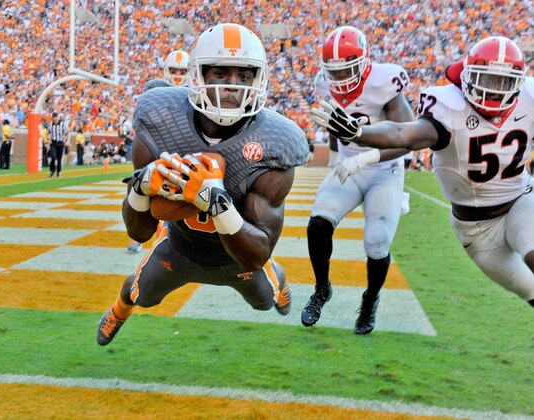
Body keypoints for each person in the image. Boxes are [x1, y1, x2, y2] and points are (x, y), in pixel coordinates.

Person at [96, 23, 309, 346]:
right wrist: (139, 190)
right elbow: (138, 232)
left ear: (259, 79)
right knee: (138, 292)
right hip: (180, 248)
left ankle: (278, 278)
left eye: (244, 76)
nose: (233, 86)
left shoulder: (274, 141)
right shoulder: (162, 119)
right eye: (221, 74)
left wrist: (216, 201)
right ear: (199, 76)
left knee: (264, 301)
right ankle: (117, 311)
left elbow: (256, 254)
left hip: (238, 260)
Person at [312, 36, 534, 309]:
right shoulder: (449, 105)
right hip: (475, 229)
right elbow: (403, 133)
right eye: (486, 79)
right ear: (467, 76)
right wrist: (361, 133)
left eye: (503, 82)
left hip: (519, 202)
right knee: (530, 291)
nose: (494, 90)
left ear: (519, 82)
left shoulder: (529, 97)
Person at [301, 26, 415, 335]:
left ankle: (370, 301)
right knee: (318, 223)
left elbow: (408, 140)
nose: (340, 80)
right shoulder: (325, 86)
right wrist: (344, 159)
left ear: (364, 63)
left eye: (347, 70)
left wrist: (363, 158)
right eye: (333, 73)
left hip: (384, 170)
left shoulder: (384, 83)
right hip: (349, 167)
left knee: (376, 242)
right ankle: (322, 289)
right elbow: (339, 132)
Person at [47, 112, 69, 177]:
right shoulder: (50, 125)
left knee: (59, 159)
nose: (55, 118)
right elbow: (48, 133)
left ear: (58, 117)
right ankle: (52, 170)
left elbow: (67, 133)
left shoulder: (62, 124)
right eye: (54, 117)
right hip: (53, 142)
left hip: (60, 143)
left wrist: (66, 140)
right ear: (52, 118)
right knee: (53, 157)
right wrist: (49, 140)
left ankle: (59, 172)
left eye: (56, 117)